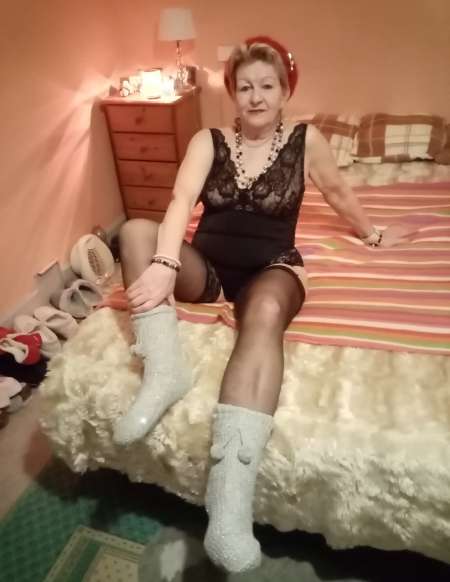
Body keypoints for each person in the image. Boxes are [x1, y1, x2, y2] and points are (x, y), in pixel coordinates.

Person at [112, 36, 394, 573]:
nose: (256, 97)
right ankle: (165, 372)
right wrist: (166, 263)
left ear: (285, 91)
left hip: (273, 269)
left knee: (262, 314)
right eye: (245, 88)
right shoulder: (209, 140)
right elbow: (178, 202)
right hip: (210, 270)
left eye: (267, 86)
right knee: (134, 233)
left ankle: (227, 510)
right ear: (233, 93)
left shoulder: (307, 140)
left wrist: (373, 234)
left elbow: (337, 193)